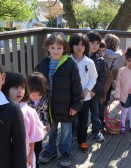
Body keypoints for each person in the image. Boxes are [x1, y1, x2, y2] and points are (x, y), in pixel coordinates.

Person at [35, 32, 83, 167]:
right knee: (52, 128)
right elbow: (35, 83)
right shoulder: (43, 64)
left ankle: (65, 151)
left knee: (67, 130)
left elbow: (77, 87)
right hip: (48, 105)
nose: (56, 50)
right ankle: (50, 149)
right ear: (48, 48)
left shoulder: (70, 64)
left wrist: (76, 105)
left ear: (64, 49)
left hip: (66, 105)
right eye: (52, 47)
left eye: (59, 48)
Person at [2, 71, 44, 168]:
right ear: (5, 88)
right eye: (15, 87)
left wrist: (31, 154)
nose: (20, 91)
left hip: (25, 154)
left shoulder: (29, 112)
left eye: (22, 87)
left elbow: (32, 136)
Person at [69, 33, 98, 152]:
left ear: (85, 47)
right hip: (70, 97)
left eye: (82, 45)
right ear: (72, 46)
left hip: (84, 97)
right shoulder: (67, 60)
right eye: (76, 44)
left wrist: (87, 89)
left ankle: (82, 140)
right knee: (69, 120)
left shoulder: (89, 62)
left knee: (83, 120)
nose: (79, 47)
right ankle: (68, 140)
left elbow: (93, 78)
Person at [86, 30, 107, 142]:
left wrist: (94, 90)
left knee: (95, 112)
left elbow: (102, 78)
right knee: (81, 113)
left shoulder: (100, 60)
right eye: (92, 42)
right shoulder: (80, 57)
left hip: (94, 92)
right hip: (83, 91)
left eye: (97, 43)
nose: (95, 46)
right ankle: (78, 132)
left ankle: (96, 131)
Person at [27, 72, 50, 168]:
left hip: (37, 127)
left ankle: (36, 162)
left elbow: (44, 112)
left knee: (38, 147)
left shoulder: (44, 99)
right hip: (27, 129)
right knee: (27, 148)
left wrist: (47, 122)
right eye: (33, 93)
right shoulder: (25, 101)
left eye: (39, 93)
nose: (36, 96)